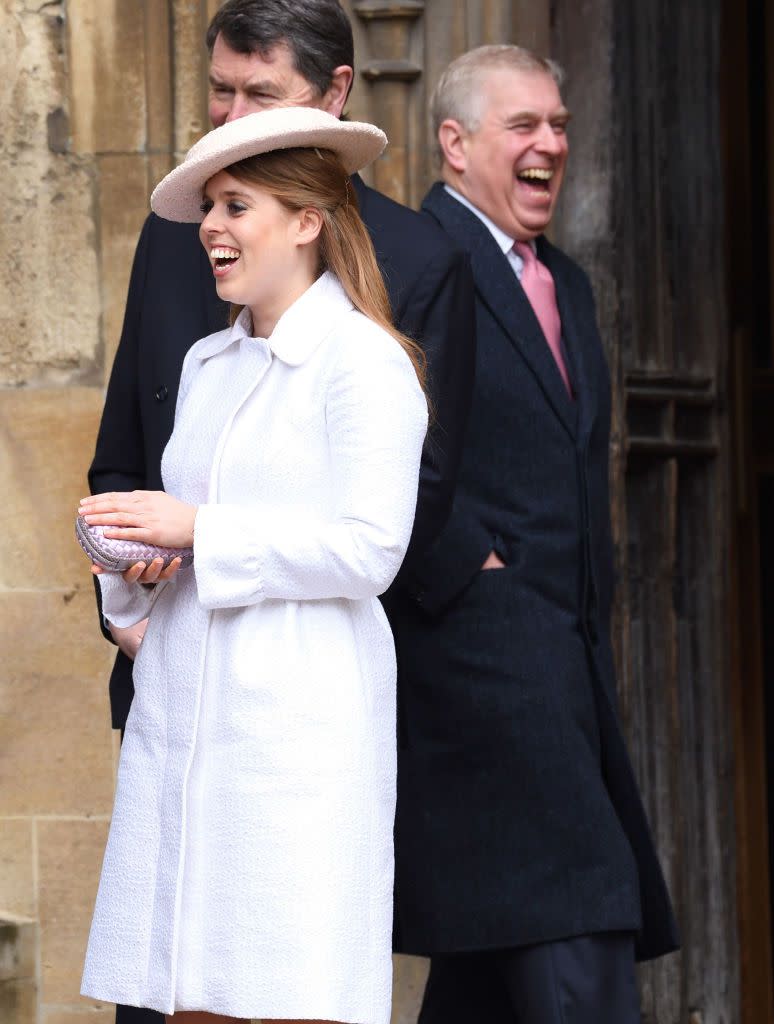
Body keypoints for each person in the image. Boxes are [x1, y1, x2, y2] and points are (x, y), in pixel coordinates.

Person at [78, 105, 428, 1024]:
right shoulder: (207, 363)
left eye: (237, 206)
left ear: (306, 221)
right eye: (210, 209)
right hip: (188, 717)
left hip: (299, 732)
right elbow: (183, 539)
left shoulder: (365, 363)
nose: (212, 229)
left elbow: (371, 548)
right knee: (188, 996)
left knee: (285, 994)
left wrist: (201, 529)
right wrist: (129, 569)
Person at [387, 45, 680, 1023]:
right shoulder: (413, 258)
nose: (551, 142)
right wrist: (469, 563)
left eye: (558, 123)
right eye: (526, 125)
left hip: (569, 666)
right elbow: (371, 439)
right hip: (474, 663)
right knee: (579, 915)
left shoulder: (570, 285)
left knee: (494, 958)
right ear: (455, 143)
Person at [90, 0, 474, 733]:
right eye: (221, 90)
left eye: (261, 93)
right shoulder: (172, 244)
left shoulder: (421, 264)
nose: (232, 117)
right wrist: (129, 598)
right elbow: (124, 455)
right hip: (164, 674)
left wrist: (210, 546)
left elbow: (408, 507)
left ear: (334, 93)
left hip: (310, 692)